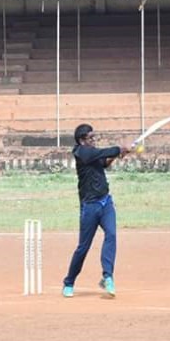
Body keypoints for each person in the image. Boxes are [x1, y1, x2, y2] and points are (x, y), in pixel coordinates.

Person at [62, 124, 133, 298]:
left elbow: (104, 162)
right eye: (90, 138)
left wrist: (117, 155)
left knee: (112, 235)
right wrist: (119, 148)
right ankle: (69, 282)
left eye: (94, 137)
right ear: (81, 140)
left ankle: (107, 276)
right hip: (90, 206)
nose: (93, 140)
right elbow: (100, 154)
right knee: (83, 247)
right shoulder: (81, 152)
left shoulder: (92, 152)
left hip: (106, 202)